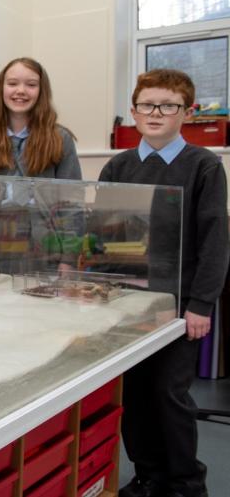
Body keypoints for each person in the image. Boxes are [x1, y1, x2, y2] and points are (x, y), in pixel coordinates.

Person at [101, 69, 227, 497]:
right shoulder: (118, 166)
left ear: (186, 112)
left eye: (168, 105)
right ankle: (148, 475)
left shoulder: (204, 166)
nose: (156, 113)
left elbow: (215, 242)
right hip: (128, 301)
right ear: (133, 111)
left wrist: (202, 304)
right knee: (134, 394)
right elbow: (105, 236)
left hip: (179, 307)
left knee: (169, 395)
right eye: (147, 105)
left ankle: (185, 483)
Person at [0, 57, 81, 274]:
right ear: (1, 89)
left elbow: (71, 203)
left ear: (41, 91)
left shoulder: (59, 139)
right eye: (12, 84)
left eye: (31, 84)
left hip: (45, 243)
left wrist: (69, 258)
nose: (21, 91)